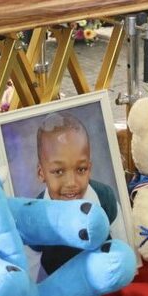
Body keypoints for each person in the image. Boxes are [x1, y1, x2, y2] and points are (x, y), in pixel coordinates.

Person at [32, 112, 126, 279]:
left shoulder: (105, 198)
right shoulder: (35, 216)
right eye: (58, 171)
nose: (71, 183)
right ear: (41, 173)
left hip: (104, 278)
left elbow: (124, 247)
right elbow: (29, 270)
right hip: (60, 285)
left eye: (81, 169)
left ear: (89, 168)